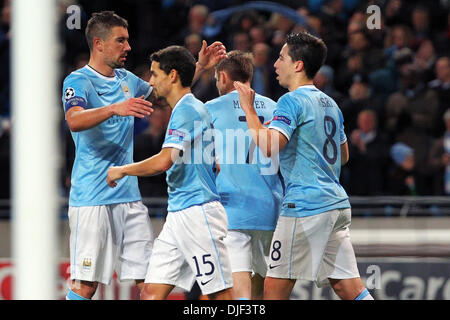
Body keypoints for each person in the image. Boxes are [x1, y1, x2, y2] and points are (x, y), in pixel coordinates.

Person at [63, 11, 226, 300]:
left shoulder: (128, 80)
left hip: (129, 198)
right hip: (93, 197)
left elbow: (168, 88)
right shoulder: (79, 81)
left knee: (148, 284)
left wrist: (197, 66)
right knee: (86, 285)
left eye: (128, 40)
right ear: (99, 44)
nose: (128, 47)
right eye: (121, 40)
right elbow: (74, 120)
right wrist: (114, 108)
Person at [234, 32, 373, 300]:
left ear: (298, 65)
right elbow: (343, 156)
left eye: (281, 57)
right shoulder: (331, 103)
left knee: (273, 290)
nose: (275, 64)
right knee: (349, 288)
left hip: (305, 207)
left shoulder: (292, 101)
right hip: (335, 205)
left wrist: (249, 110)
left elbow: (269, 146)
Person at [107, 45, 233, 300]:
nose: (151, 82)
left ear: (172, 75)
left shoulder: (187, 110)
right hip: (178, 213)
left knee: (221, 296)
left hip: (199, 212)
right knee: (151, 293)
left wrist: (121, 170)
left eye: (155, 74)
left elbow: (164, 161)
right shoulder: (187, 108)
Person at [205, 51, 282, 300]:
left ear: (224, 77)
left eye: (217, 79)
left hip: (233, 209)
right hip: (271, 208)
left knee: (239, 287)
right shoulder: (275, 107)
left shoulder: (209, 109)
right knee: (262, 282)